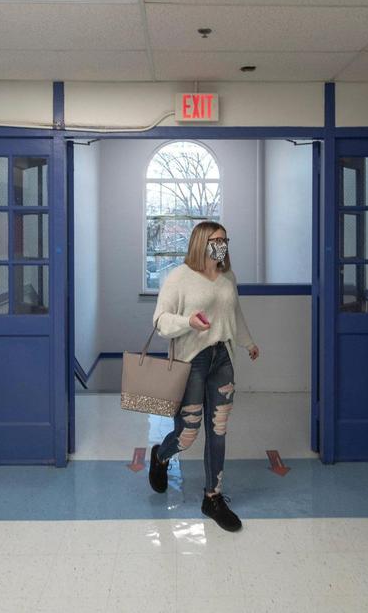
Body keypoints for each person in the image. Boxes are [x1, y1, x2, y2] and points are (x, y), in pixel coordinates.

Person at [148, 221, 259, 532]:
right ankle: (161, 455)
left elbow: (234, 313)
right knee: (188, 434)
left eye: (224, 239)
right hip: (191, 362)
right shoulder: (179, 277)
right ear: (200, 242)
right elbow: (160, 321)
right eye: (215, 240)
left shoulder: (228, 277)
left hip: (222, 358)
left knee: (218, 429)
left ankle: (213, 497)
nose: (221, 244)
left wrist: (247, 342)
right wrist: (188, 322)